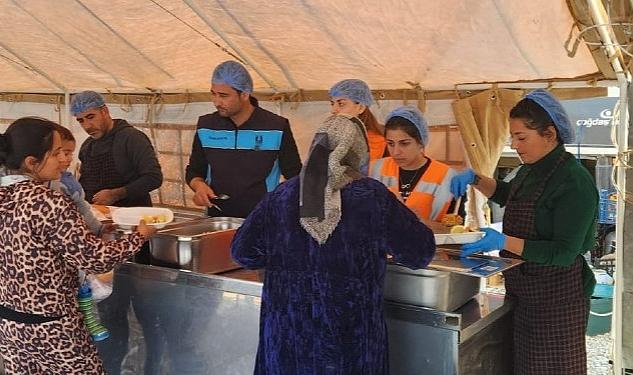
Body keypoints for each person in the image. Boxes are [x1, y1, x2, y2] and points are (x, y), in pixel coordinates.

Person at [231, 114, 436, 374]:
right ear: (356, 151)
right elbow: (420, 252)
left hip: (287, 340)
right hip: (350, 344)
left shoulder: (281, 196)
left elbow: (243, 252)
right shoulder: (372, 197)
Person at [450, 89, 597, 375]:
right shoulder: (530, 168)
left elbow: (563, 252)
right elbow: (509, 194)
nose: (515, 146)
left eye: (521, 137)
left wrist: (503, 241)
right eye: (513, 138)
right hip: (524, 290)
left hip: (558, 299)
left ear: (550, 134)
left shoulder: (574, 182)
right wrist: (476, 179)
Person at [0, 117, 155, 374]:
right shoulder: (50, 202)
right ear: (31, 162)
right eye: (56, 153)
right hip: (54, 327)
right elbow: (95, 259)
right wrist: (139, 236)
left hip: (10, 326)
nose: (64, 160)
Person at [185, 60, 302, 218]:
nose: (216, 102)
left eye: (224, 96)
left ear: (245, 94)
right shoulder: (206, 126)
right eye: (213, 94)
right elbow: (194, 170)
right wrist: (199, 187)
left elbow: (294, 175)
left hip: (261, 220)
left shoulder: (276, 127)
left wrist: (281, 204)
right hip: (218, 220)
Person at [71, 90, 163, 208]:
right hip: (99, 218)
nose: (87, 126)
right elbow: (85, 183)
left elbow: (153, 178)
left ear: (104, 111)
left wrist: (116, 194)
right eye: (81, 120)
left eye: (91, 117)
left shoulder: (132, 138)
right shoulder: (87, 147)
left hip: (133, 218)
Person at [370, 106, 456, 222]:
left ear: (421, 142)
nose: (396, 152)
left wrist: (418, 222)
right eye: (390, 144)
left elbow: (456, 228)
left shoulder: (447, 176)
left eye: (404, 144)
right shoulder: (374, 169)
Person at [329, 79, 388, 160]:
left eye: (341, 104)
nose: (333, 110)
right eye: (332, 104)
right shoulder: (333, 135)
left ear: (361, 108)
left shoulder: (374, 141)